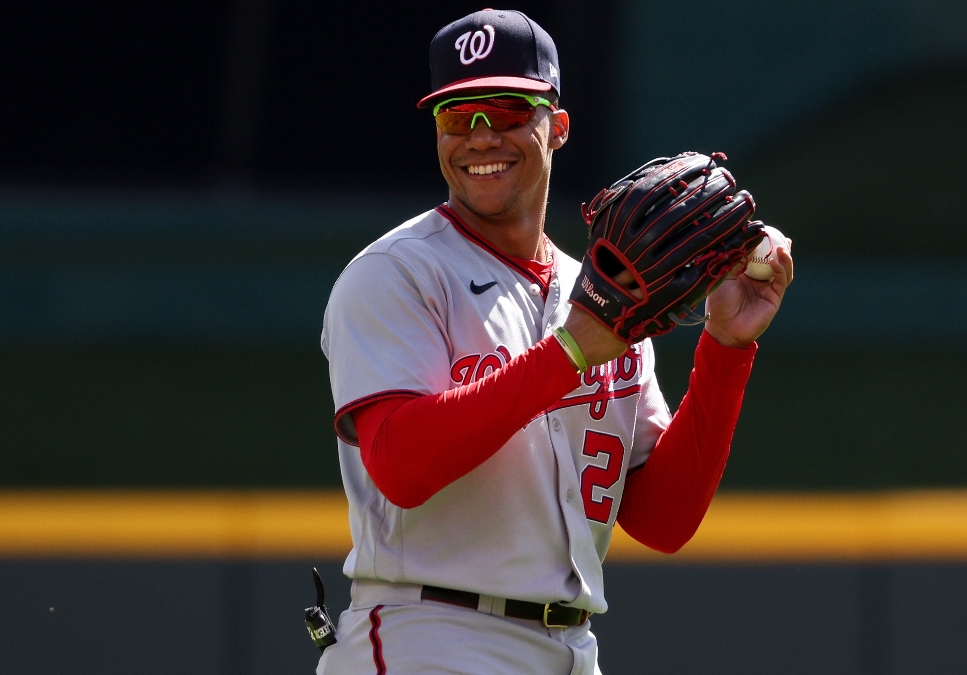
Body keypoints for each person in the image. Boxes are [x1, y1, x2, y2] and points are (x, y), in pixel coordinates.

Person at [318, 9, 793, 675]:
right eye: (458, 117)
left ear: (558, 127)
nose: (481, 137)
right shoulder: (397, 273)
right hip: (431, 634)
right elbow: (400, 464)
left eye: (507, 110)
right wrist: (569, 351)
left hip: (572, 646)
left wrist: (725, 347)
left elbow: (662, 519)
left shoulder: (605, 295)